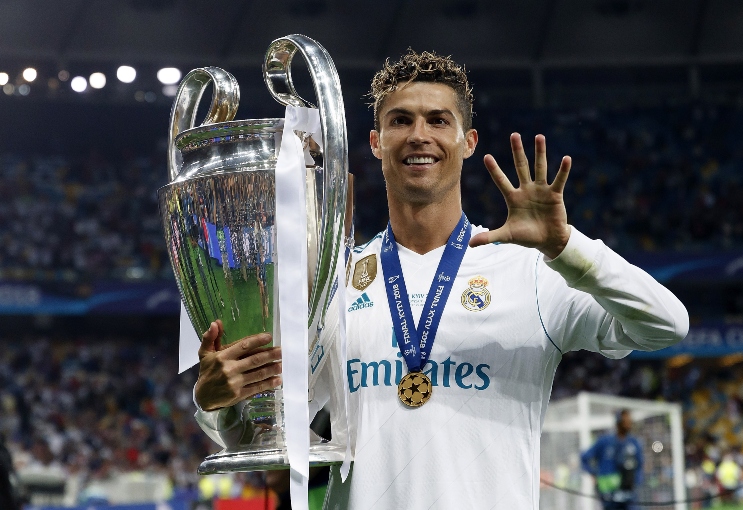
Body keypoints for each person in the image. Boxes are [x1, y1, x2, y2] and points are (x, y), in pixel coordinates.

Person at [193, 50, 689, 510]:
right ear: (375, 142)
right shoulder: (333, 282)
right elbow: (262, 439)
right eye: (400, 120)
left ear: (467, 142)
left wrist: (567, 248)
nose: (418, 134)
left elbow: (667, 325)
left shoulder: (531, 271)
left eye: (438, 120)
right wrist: (220, 404)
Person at [581, 409, 644, 509]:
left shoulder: (634, 443)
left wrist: (635, 483)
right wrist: (593, 474)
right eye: (625, 420)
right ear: (618, 421)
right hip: (609, 494)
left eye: (629, 420)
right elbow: (584, 458)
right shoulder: (604, 441)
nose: (628, 423)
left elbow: (639, 465)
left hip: (629, 494)